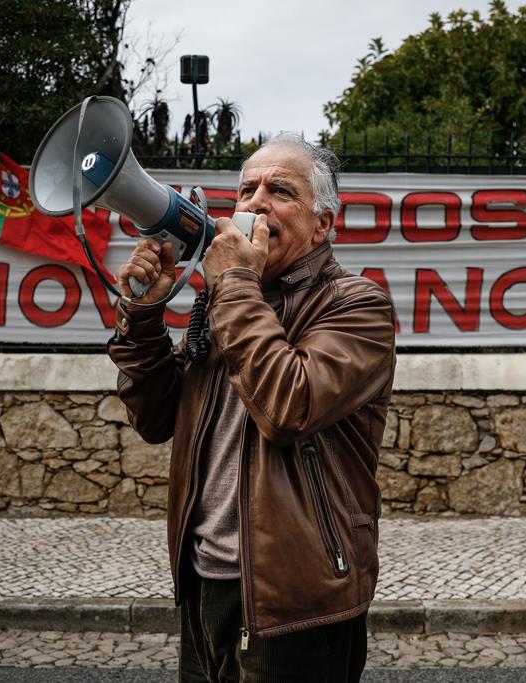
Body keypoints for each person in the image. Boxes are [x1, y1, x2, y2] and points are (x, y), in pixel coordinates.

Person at [108, 134, 397, 682]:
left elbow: (290, 405)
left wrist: (234, 285)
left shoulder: (356, 305)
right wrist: (143, 315)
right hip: (202, 583)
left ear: (322, 224)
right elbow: (153, 419)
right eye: (246, 189)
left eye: (280, 190)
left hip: (297, 600)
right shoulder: (230, 301)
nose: (256, 202)